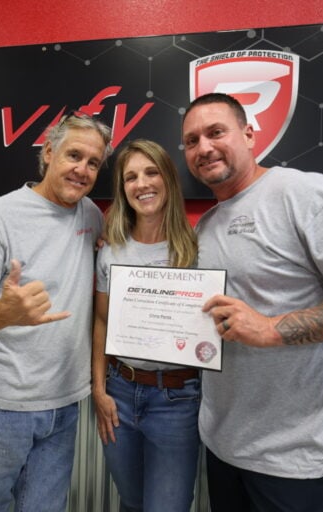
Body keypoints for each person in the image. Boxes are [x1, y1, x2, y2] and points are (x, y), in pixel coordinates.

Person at [181, 92, 323, 511]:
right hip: (223, 445)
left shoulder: (303, 193)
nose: (204, 147)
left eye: (216, 132)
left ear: (249, 134)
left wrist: (272, 329)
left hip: (294, 460)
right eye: (192, 141)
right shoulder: (208, 225)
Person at [0, 111, 113, 512]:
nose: (82, 170)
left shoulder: (91, 215)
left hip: (63, 408)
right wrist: (6, 312)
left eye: (93, 163)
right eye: (74, 155)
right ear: (49, 151)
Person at [92, 139, 201, 511]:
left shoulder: (197, 249)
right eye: (131, 177)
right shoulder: (111, 250)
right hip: (120, 393)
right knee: (132, 502)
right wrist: (99, 390)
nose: (142, 184)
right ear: (123, 190)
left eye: (151, 172)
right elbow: (102, 321)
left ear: (169, 179)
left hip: (177, 399)